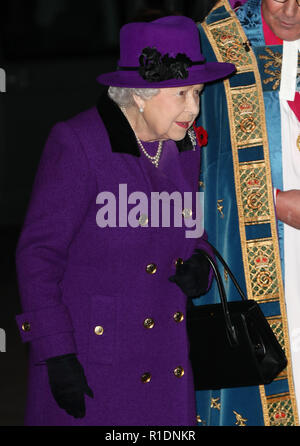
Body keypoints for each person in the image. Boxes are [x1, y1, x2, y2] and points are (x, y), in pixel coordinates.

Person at [15, 15, 234, 426]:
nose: (194, 108)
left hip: (166, 358)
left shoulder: (185, 145)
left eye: (198, 92)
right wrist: (56, 352)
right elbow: (37, 257)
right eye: (182, 93)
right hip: (94, 365)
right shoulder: (78, 144)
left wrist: (201, 261)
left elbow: (194, 229)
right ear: (140, 95)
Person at [195, 0, 300, 426]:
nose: (292, 10)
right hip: (255, 241)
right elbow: (195, 156)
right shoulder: (218, 44)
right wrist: (268, 202)